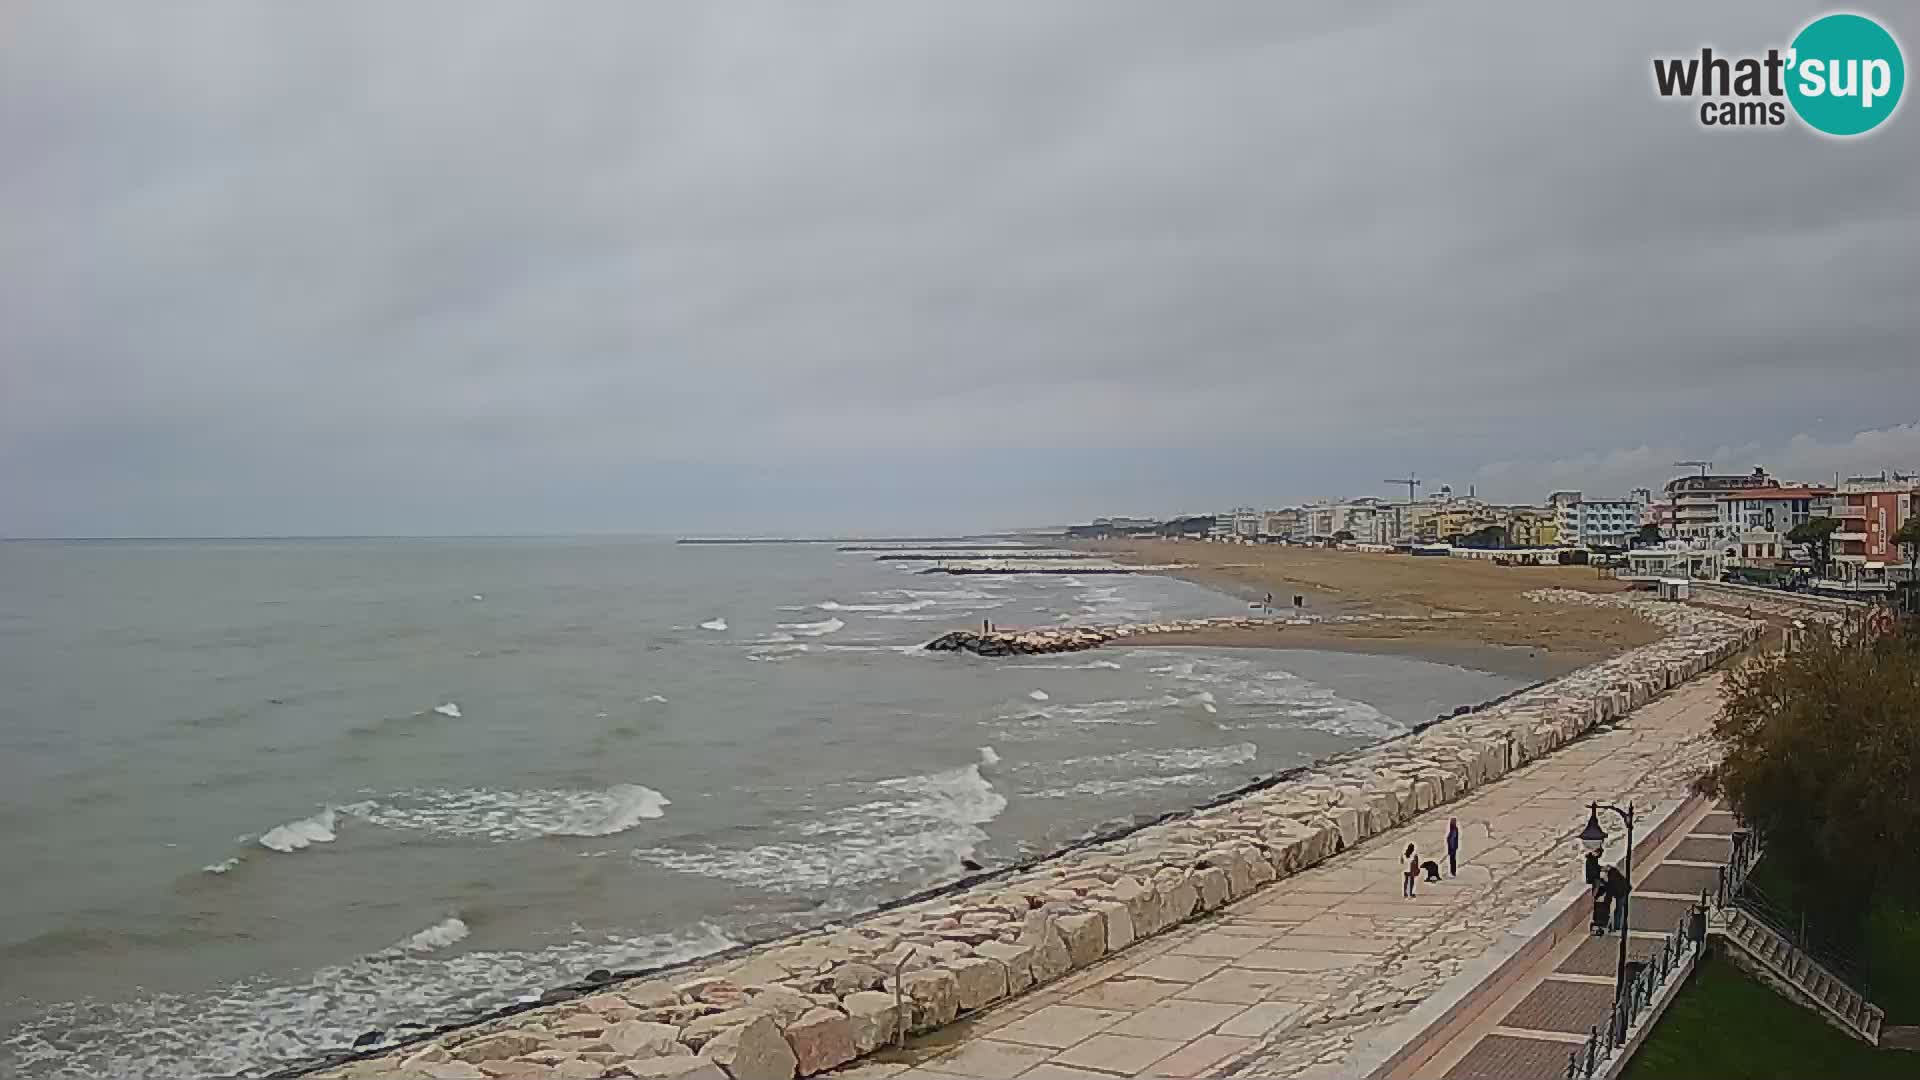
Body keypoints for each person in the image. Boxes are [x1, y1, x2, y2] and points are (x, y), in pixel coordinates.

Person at [1605, 865, 1631, 933]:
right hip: (1624, 891)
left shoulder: (1611, 875)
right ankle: (1618, 925)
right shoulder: (1616, 873)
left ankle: (1616, 926)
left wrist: (1608, 899)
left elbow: (1612, 887)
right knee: (1620, 910)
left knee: (1618, 910)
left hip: (1621, 894)